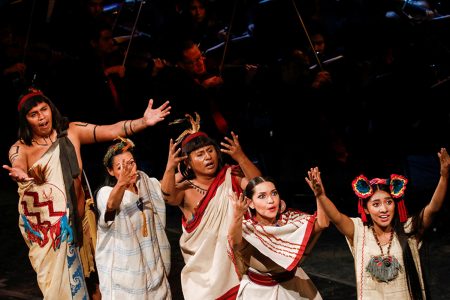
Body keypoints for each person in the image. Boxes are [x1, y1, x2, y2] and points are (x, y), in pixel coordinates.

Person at [2, 87, 170, 299]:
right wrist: (18, 170)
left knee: (94, 285)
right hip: (53, 236)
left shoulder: (72, 132)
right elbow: (16, 160)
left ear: (51, 109)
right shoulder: (22, 148)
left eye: (44, 109)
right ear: (26, 120)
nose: (41, 117)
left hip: (83, 226)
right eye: (33, 114)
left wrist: (143, 122)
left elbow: (111, 130)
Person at [305, 148, 450, 300]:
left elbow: (433, 208)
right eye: (376, 204)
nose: (384, 209)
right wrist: (320, 195)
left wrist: (444, 177)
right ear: (366, 210)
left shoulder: (407, 228)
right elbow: (336, 217)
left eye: (389, 202)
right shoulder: (359, 231)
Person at [160, 113, 262, 299]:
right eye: (200, 154)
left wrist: (240, 157)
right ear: (188, 162)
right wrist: (170, 167)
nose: (208, 157)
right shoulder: (185, 189)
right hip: (205, 276)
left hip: (240, 266)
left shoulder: (231, 177)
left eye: (210, 151)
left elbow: (258, 187)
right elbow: (167, 196)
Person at [228, 176, 329, 299]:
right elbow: (234, 242)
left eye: (274, 193)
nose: (270, 200)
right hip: (260, 293)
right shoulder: (249, 230)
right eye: (262, 196)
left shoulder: (291, 222)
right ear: (251, 203)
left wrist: (320, 195)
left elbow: (323, 223)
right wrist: (237, 215)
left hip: (295, 289)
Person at [95, 137, 171, 299]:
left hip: (154, 273)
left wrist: (171, 163)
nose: (128, 168)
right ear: (110, 171)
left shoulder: (146, 185)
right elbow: (110, 207)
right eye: (120, 166)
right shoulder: (106, 193)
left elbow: (166, 189)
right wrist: (122, 183)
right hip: (126, 278)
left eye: (131, 163)